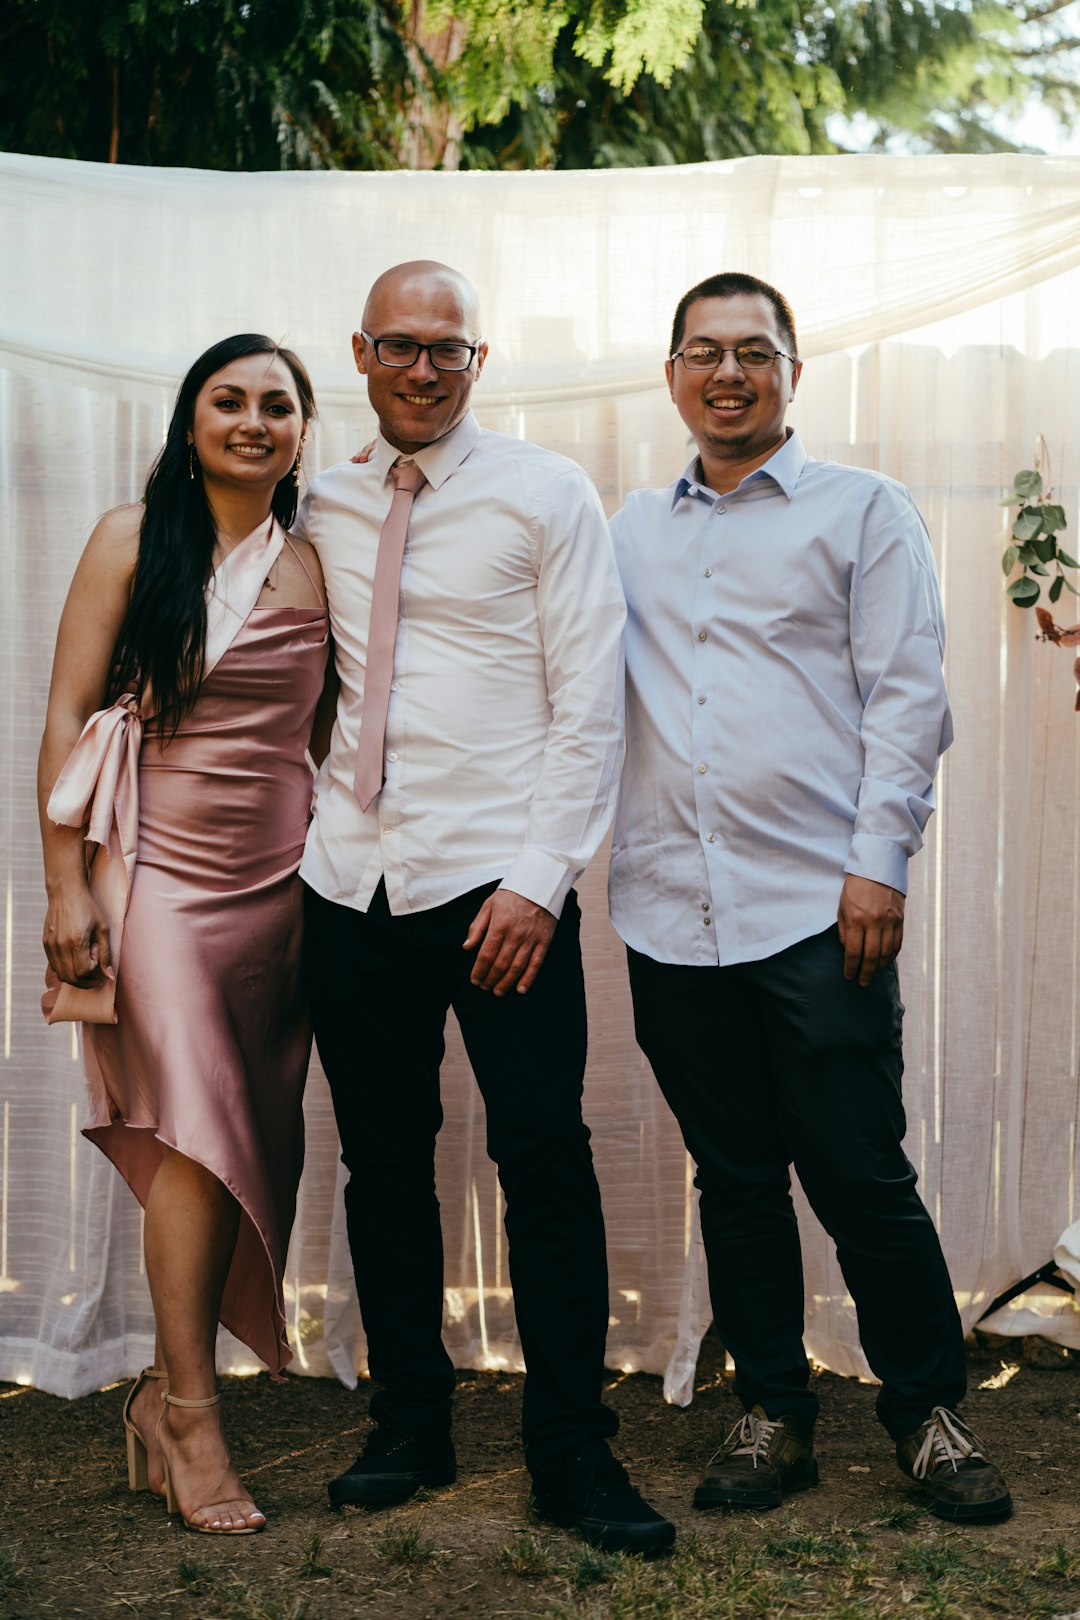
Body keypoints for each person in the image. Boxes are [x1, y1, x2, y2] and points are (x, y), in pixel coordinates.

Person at [609, 272, 1012, 1524]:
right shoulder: (627, 529)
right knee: (731, 1178)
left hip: (818, 906)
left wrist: (877, 864)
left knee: (856, 1170)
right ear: (671, 372)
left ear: (793, 369)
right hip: (668, 910)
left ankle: (927, 1416)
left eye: (755, 352)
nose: (728, 373)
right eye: (704, 351)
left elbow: (908, 698)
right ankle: (772, 1413)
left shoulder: (865, 512)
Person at [295, 260, 673, 1554]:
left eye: (445, 348)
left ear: (478, 360)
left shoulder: (544, 493)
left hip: (499, 893)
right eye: (398, 345)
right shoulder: (325, 501)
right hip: (351, 883)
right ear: (360, 352)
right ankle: (412, 1419)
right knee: (382, 1163)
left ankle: (571, 1448)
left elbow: (592, 701)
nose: (421, 367)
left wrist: (538, 882)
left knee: (544, 1158)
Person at [38, 334, 331, 1535]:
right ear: (191, 418)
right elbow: (64, 712)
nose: (253, 420)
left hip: (282, 892)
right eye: (230, 399)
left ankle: (165, 1396)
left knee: (233, 1146)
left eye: (278, 404)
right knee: (198, 1136)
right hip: (152, 880)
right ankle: (197, 1420)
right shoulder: (128, 538)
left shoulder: (318, 564)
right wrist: (66, 891)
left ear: (304, 431)